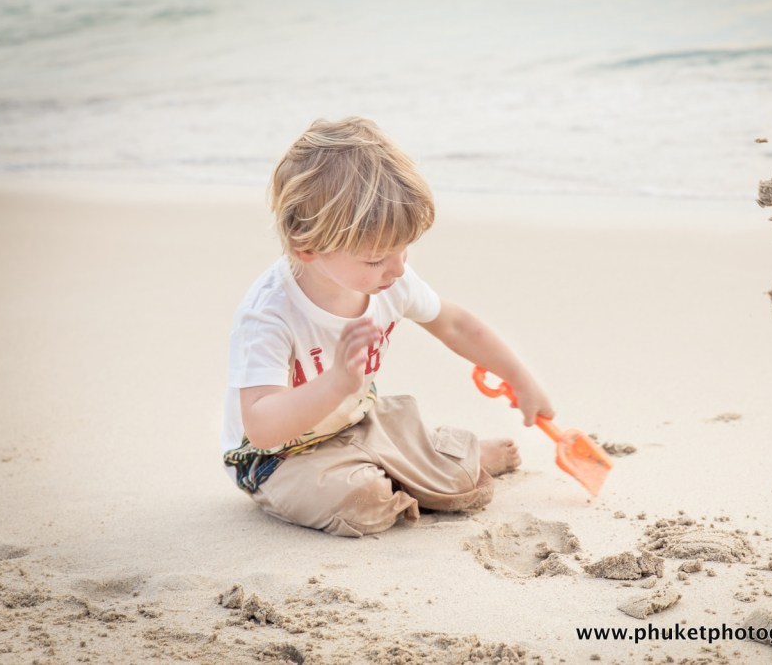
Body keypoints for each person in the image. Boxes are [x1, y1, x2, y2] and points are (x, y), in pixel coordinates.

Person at [221, 116, 554, 537]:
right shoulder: (270, 313)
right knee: (364, 502)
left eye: (404, 249)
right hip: (279, 459)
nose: (397, 269)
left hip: (358, 422)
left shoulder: (388, 281)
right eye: (377, 258)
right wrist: (336, 383)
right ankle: (426, 467)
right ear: (307, 246)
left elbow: (455, 325)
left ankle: (435, 463)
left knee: (425, 456)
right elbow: (261, 425)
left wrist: (520, 377)